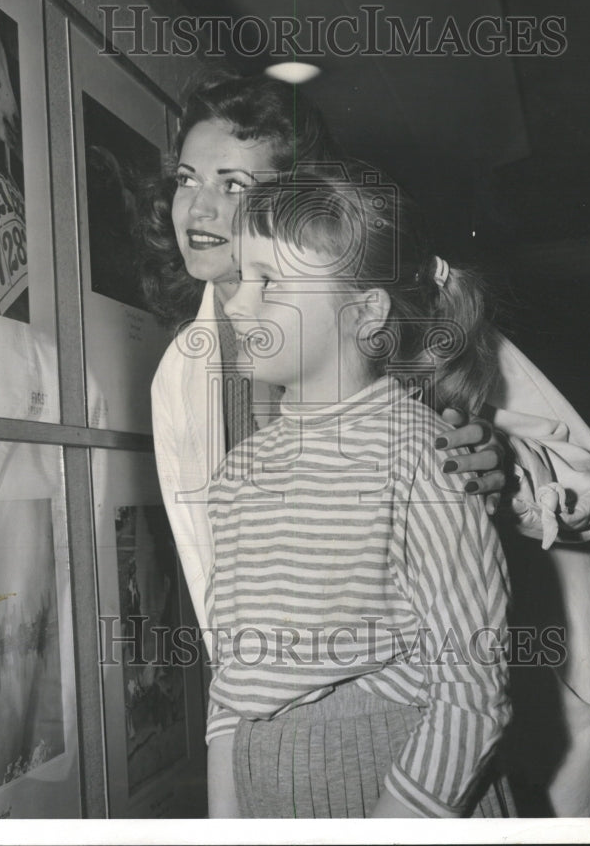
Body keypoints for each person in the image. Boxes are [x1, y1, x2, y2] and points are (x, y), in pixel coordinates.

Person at [144, 73, 590, 815]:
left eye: (233, 184)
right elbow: (224, 609)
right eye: (187, 178)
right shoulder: (181, 374)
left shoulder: (408, 311)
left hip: (437, 737)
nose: (197, 208)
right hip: (280, 749)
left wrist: (510, 471)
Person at [204, 169, 515, 817]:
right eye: (239, 278)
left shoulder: (419, 456)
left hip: (394, 789)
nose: (235, 303)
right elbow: (232, 677)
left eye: (270, 283)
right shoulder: (240, 471)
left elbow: (473, 691)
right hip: (266, 791)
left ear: (366, 311)